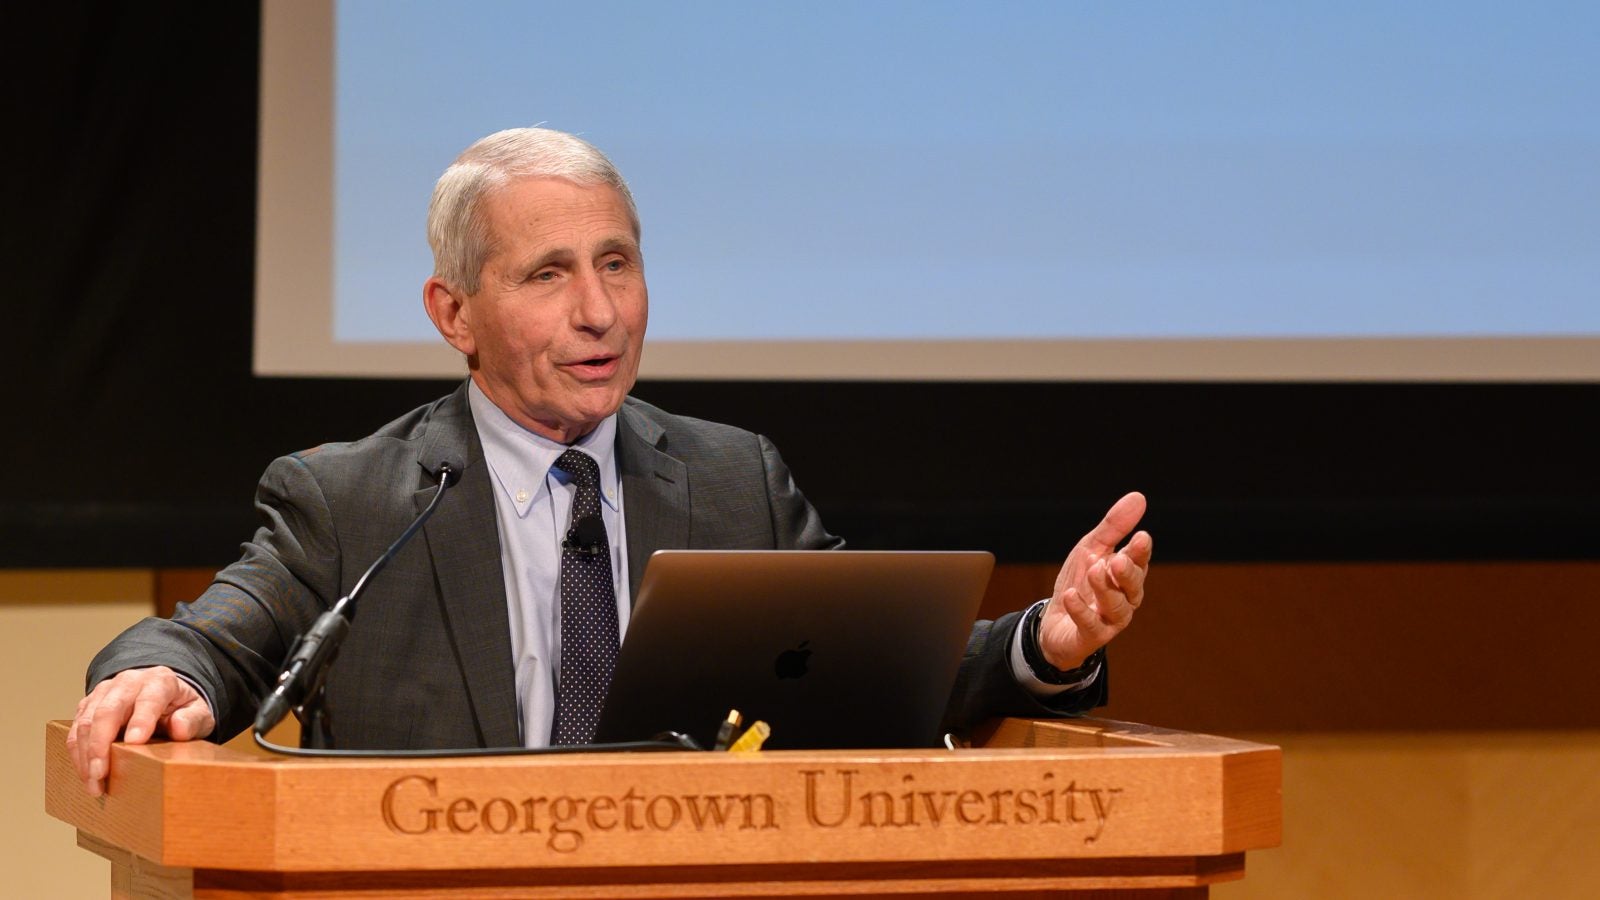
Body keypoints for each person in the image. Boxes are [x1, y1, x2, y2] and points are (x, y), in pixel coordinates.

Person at [67, 128, 1152, 796]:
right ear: (455, 312)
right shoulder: (351, 498)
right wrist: (155, 676)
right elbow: (211, 638)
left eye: (617, 264)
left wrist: (1045, 643)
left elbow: (879, 674)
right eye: (548, 274)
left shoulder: (734, 479)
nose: (599, 313)